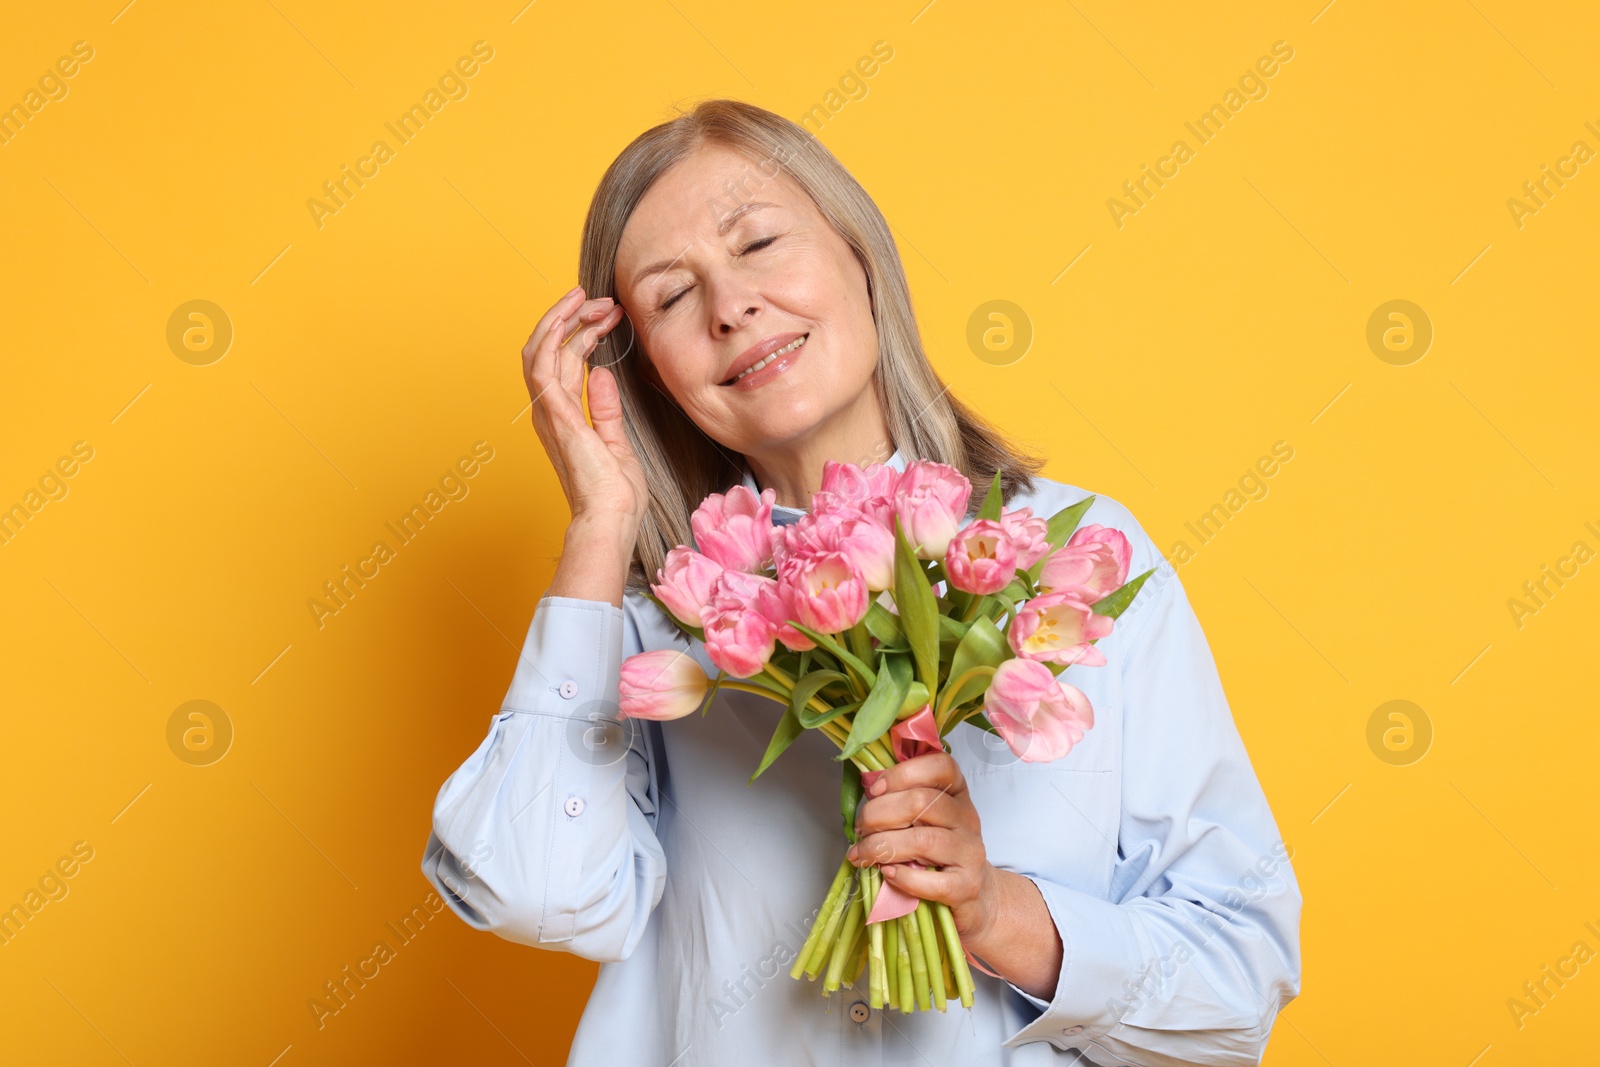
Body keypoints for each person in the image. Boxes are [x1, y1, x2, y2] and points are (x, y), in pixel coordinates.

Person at [421, 99, 1301, 1066]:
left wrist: (999, 911)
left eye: (758, 241)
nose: (730, 306)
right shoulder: (648, 625)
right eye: (672, 298)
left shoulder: (1076, 560)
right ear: (647, 374)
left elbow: (1238, 982)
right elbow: (534, 890)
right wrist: (599, 529)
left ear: (860, 252)